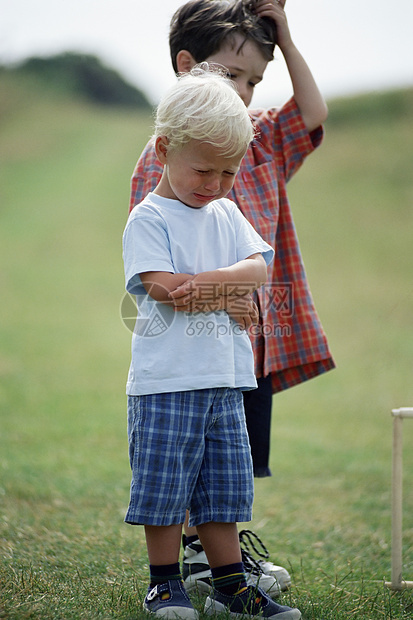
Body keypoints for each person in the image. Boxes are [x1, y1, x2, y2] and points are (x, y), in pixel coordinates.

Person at [129, 0, 335, 596]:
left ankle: (219, 552)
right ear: (187, 68)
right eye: (230, 76)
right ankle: (196, 559)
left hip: (249, 335)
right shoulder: (165, 160)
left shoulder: (262, 138)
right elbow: (161, 271)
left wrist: (287, 39)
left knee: (231, 453)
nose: (243, 92)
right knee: (187, 446)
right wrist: (223, 293)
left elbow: (313, 112)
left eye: (254, 81)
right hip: (195, 334)